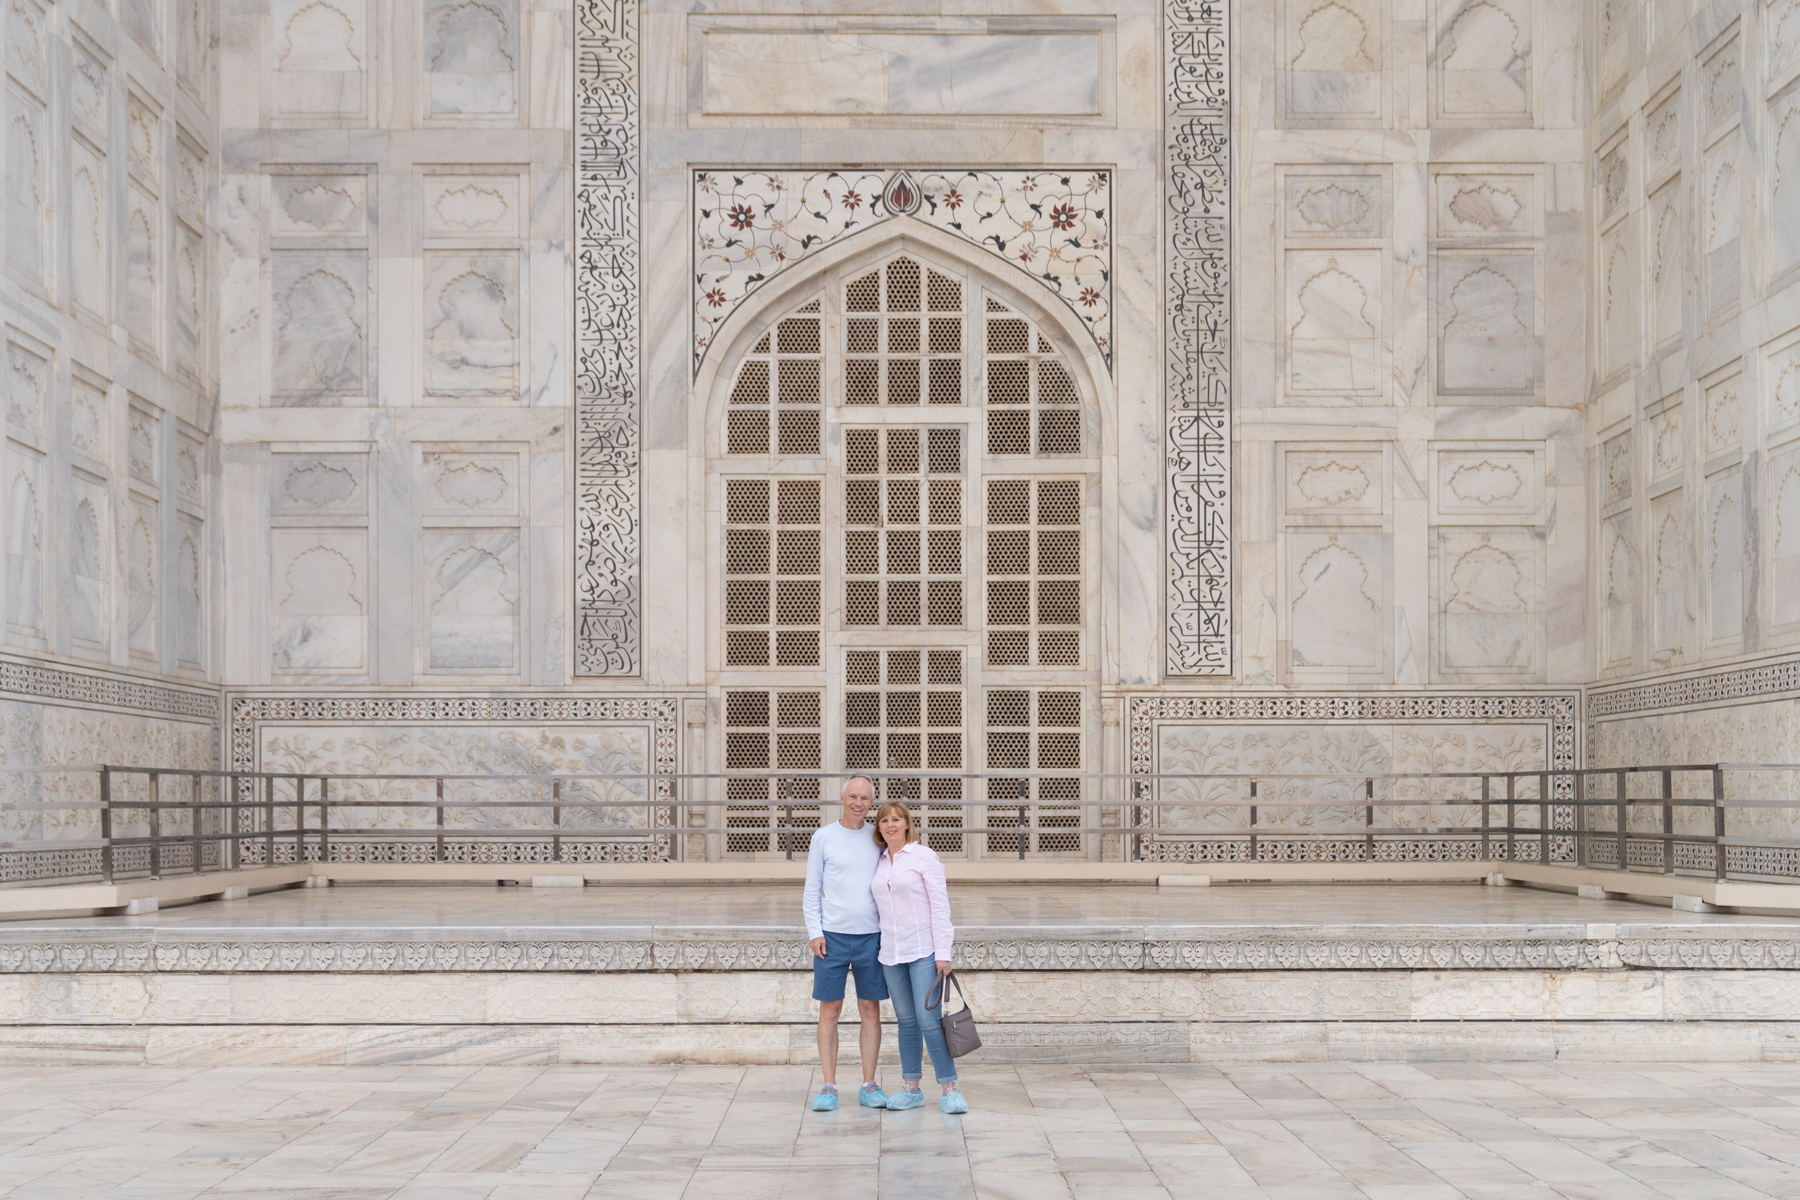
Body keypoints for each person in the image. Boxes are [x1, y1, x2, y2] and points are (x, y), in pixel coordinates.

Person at [870, 799, 967, 1115]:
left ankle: (949, 1088)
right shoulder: (881, 860)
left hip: (924, 950)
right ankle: (911, 1087)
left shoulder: (924, 857)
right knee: (906, 1021)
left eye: (897, 819)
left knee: (928, 1020)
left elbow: (940, 906)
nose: (891, 825)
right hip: (890, 954)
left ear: (907, 824)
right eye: (885, 821)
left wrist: (943, 952)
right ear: (879, 827)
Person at [802, 775, 889, 1112]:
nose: (858, 803)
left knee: (870, 1009)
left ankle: (869, 1084)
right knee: (831, 1010)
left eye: (865, 798)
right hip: (832, 937)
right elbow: (812, 890)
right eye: (853, 796)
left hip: (872, 937)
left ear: (871, 802)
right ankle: (829, 1086)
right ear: (842, 798)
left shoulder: (878, 837)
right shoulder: (823, 837)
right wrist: (815, 931)